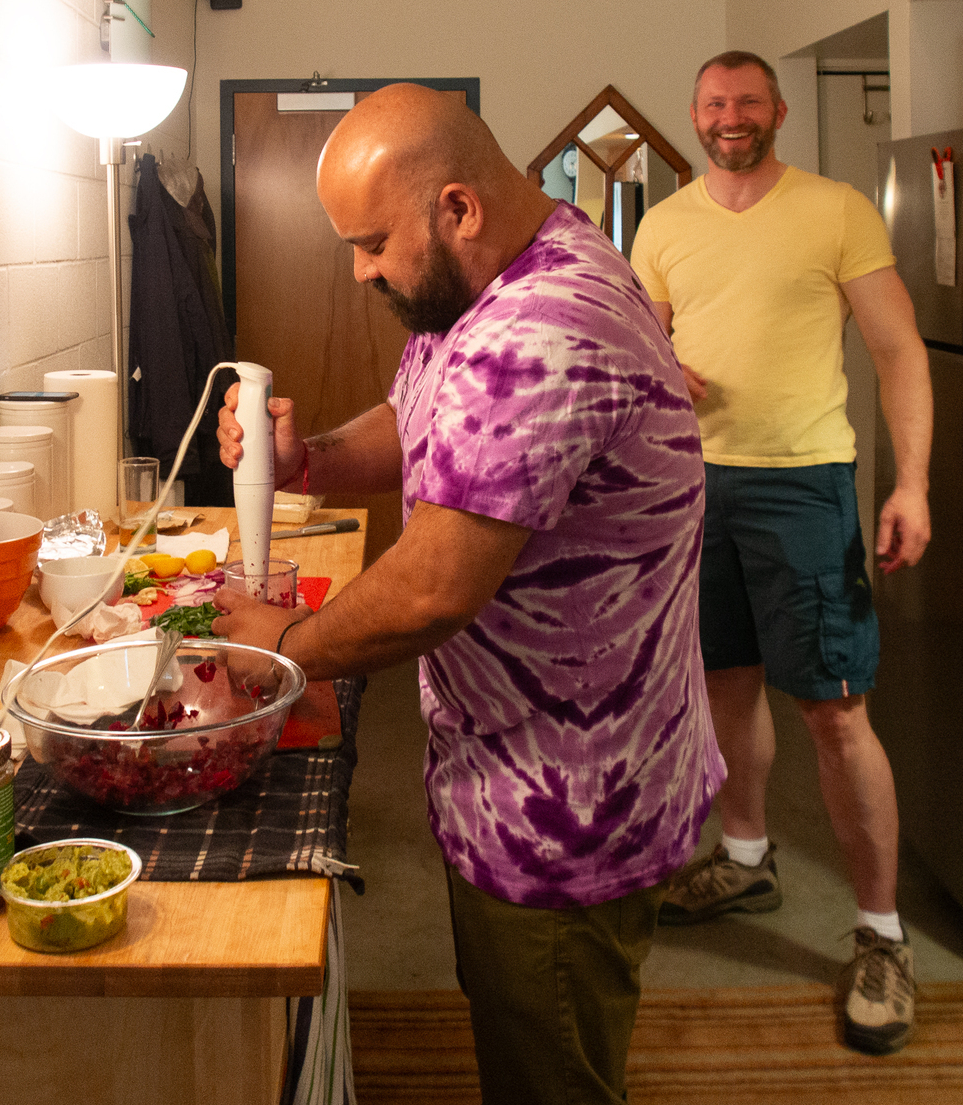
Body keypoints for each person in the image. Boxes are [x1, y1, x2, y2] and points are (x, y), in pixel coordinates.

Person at [212, 83, 724, 1104]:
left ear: (458, 208)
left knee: (550, 1069)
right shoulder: (506, 271)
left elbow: (436, 588)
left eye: (369, 242)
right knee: (520, 1031)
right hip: (530, 762)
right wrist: (305, 458)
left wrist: (289, 645)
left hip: (566, 803)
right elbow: (423, 422)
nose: (357, 270)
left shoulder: (538, 331)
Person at [628, 51, 933, 1055]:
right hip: (695, 486)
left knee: (836, 715)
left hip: (806, 484)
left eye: (747, 102)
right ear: (696, 113)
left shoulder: (837, 210)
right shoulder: (665, 224)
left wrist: (913, 483)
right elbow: (644, 350)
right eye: (714, 102)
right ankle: (747, 856)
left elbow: (899, 349)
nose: (730, 117)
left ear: (777, 113)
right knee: (725, 684)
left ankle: (883, 937)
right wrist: (663, 366)